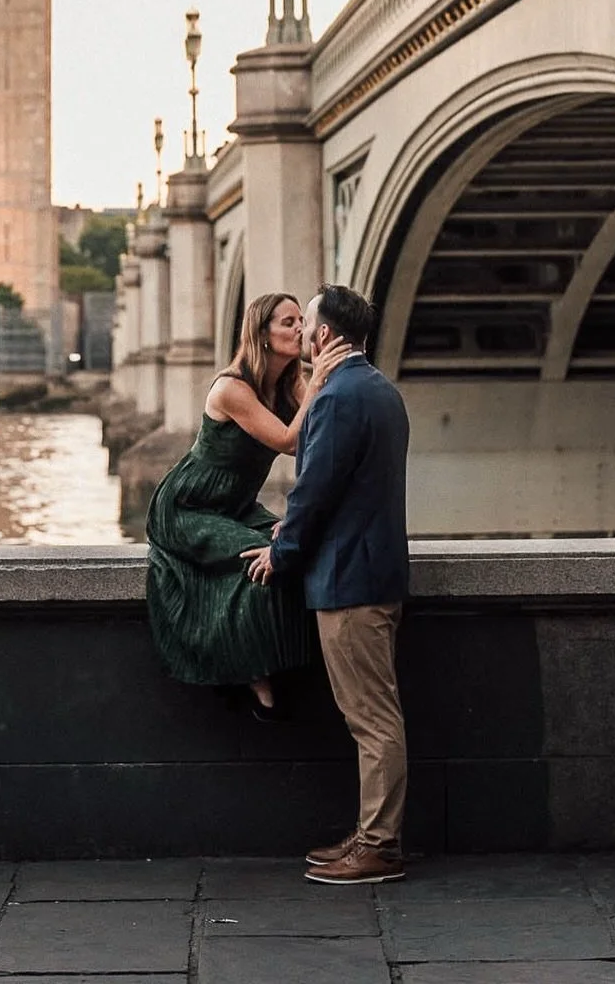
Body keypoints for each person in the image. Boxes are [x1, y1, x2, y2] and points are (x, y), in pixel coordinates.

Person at [243, 284, 410, 884]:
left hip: (350, 581)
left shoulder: (338, 397)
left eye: (307, 322)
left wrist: (280, 552)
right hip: (373, 570)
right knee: (373, 714)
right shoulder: (379, 389)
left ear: (325, 335)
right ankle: (368, 836)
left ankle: (379, 846)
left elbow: (313, 491)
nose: (303, 332)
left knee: (371, 718)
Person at [145, 291, 351, 715]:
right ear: (261, 334)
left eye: (301, 322)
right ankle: (247, 671)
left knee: (293, 551)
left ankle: (282, 661)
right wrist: (317, 382)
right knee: (256, 562)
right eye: (289, 323)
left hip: (237, 505)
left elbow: (306, 446)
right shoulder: (231, 388)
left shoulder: (290, 384)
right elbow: (287, 439)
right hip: (189, 507)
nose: (301, 330)